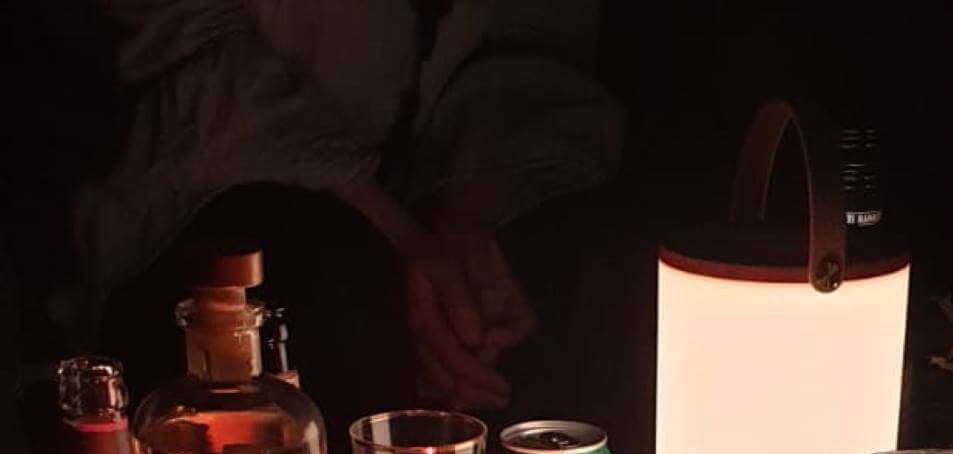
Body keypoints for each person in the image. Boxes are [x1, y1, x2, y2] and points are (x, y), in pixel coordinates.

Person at [57, 0, 623, 412]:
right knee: (333, 303)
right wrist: (398, 236)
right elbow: (182, 44)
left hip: (428, 210)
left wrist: (465, 231)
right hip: (212, 205)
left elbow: (530, 42)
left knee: (543, 311)